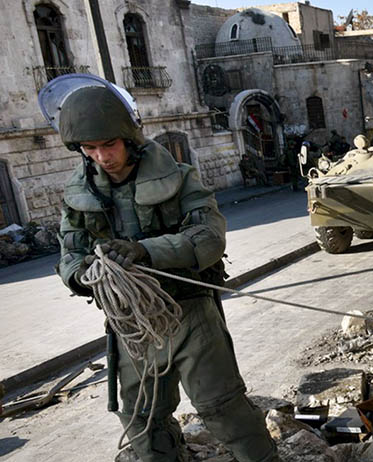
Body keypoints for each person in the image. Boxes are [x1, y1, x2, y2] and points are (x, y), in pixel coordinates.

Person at [49, 77, 279, 462]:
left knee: (222, 408)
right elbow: (69, 255)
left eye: (109, 144)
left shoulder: (180, 177)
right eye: (90, 148)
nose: (102, 156)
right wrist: (85, 272)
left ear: (128, 139)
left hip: (189, 311)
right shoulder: (78, 197)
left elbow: (209, 237)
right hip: (131, 324)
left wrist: (145, 251)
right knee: (141, 418)